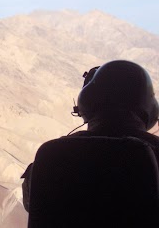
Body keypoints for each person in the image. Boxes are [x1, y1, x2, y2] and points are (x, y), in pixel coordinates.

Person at [21, 59, 159, 212]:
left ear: (87, 102)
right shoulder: (154, 154)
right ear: (149, 107)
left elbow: (31, 204)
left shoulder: (51, 156)